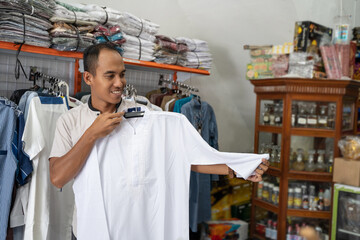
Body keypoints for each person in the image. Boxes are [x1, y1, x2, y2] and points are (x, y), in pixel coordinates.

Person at [49, 43, 269, 239]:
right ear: (88, 78)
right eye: (110, 76)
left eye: (122, 74)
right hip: (92, 229)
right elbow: (58, 178)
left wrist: (235, 168)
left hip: (139, 228)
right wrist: (91, 134)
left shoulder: (143, 116)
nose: (120, 83)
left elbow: (177, 158)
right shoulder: (70, 122)